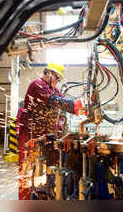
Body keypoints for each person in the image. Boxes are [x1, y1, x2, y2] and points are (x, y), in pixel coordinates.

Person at [16, 62, 85, 200]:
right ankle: (25, 201)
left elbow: (63, 101)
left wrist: (81, 104)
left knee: (49, 169)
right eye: (57, 78)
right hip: (31, 134)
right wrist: (75, 106)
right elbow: (55, 101)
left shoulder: (53, 89)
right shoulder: (37, 85)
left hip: (46, 136)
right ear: (48, 73)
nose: (58, 81)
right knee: (27, 170)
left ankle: (45, 195)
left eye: (59, 79)